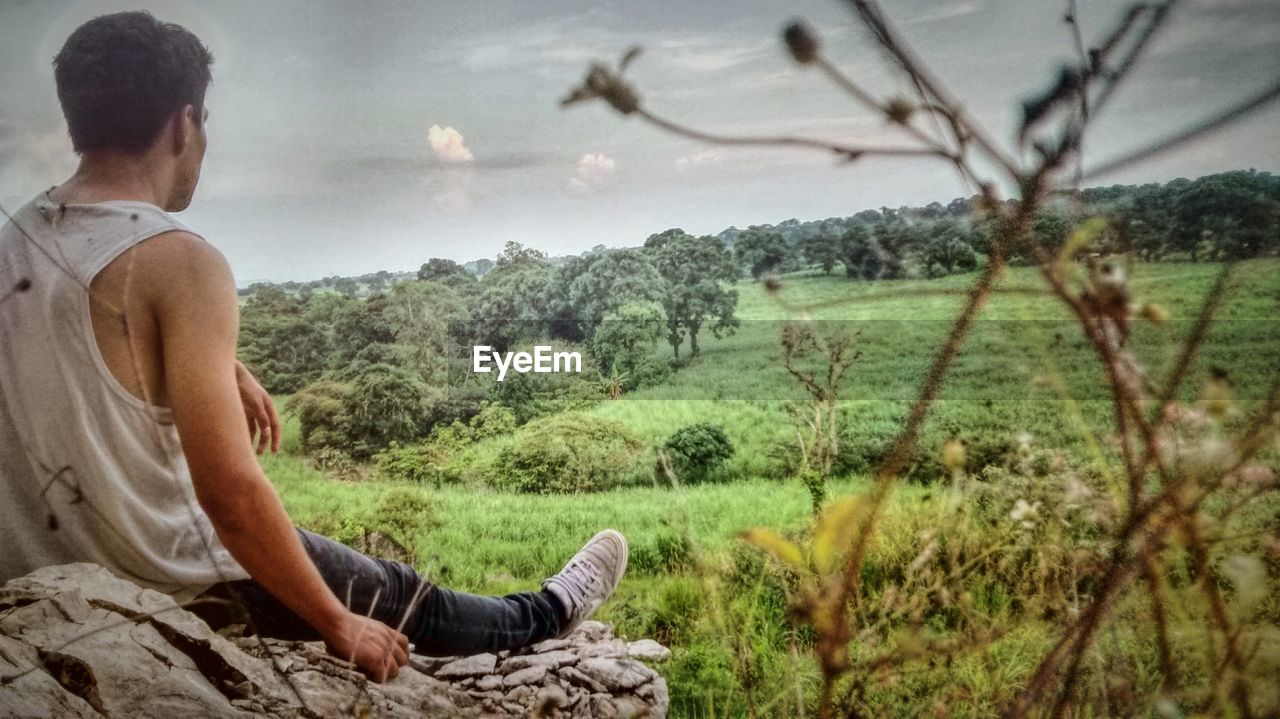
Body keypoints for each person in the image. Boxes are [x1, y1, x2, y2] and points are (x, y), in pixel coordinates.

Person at [0, 10, 627, 683]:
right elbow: (231, 494)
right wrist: (337, 622)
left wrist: (215, 362)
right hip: (172, 577)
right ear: (185, 123)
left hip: (34, 581)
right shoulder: (178, 261)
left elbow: (68, 338)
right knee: (407, 594)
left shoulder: (16, 238)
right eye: (204, 121)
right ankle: (551, 608)